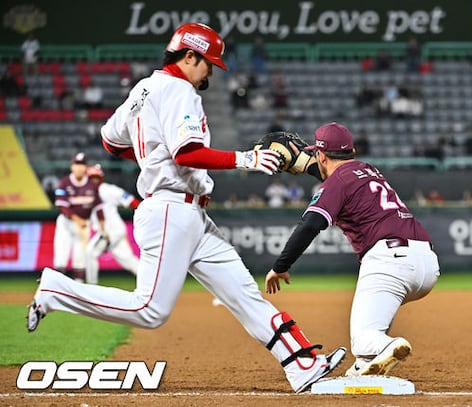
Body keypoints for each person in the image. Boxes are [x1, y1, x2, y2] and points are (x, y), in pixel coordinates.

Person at [26, 23, 345, 394]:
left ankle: (302, 364)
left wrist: (150, 158)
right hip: (170, 211)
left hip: (191, 215)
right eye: (209, 63)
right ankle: (57, 291)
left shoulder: (143, 89)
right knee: (149, 310)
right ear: (190, 55)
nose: (210, 72)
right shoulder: (179, 90)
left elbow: (110, 140)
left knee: (243, 293)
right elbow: (186, 152)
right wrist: (246, 158)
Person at [264, 122, 440, 377]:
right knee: (370, 335)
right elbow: (341, 178)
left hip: (390, 263)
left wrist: (280, 266)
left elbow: (310, 225)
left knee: (363, 339)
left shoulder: (336, 183)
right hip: (426, 262)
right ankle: (363, 366)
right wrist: (311, 165)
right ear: (352, 151)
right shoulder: (369, 170)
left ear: (321, 155)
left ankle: (386, 344)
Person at [51, 152, 105, 282]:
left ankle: (78, 287)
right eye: (77, 164)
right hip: (66, 224)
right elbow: (63, 207)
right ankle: (57, 287)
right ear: (72, 167)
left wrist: (103, 228)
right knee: (61, 257)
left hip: (83, 225)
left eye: (82, 165)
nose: (79, 167)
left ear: (86, 167)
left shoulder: (92, 185)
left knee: (80, 258)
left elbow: (99, 209)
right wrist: (78, 220)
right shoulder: (64, 183)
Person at [84, 164, 141, 284]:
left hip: (111, 230)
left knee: (90, 252)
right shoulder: (87, 193)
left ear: (101, 178)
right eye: (91, 178)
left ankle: (91, 286)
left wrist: (143, 210)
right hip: (111, 230)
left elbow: (130, 200)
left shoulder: (107, 189)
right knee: (128, 260)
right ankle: (152, 279)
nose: (94, 180)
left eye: (96, 177)